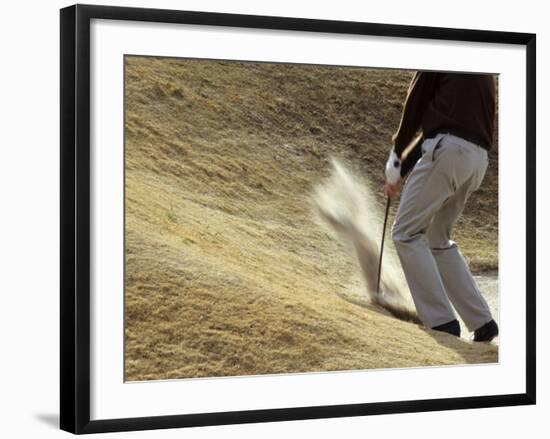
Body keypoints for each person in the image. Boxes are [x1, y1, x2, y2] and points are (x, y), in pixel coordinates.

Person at [384, 71, 499, 342]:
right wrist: (401, 169)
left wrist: (395, 155)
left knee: (406, 233)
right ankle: (482, 321)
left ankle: (441, 322)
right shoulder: (483, 66)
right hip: (476, 160)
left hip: (448, 152)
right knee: (437, 238)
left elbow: (415, 105)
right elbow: (435, 130)